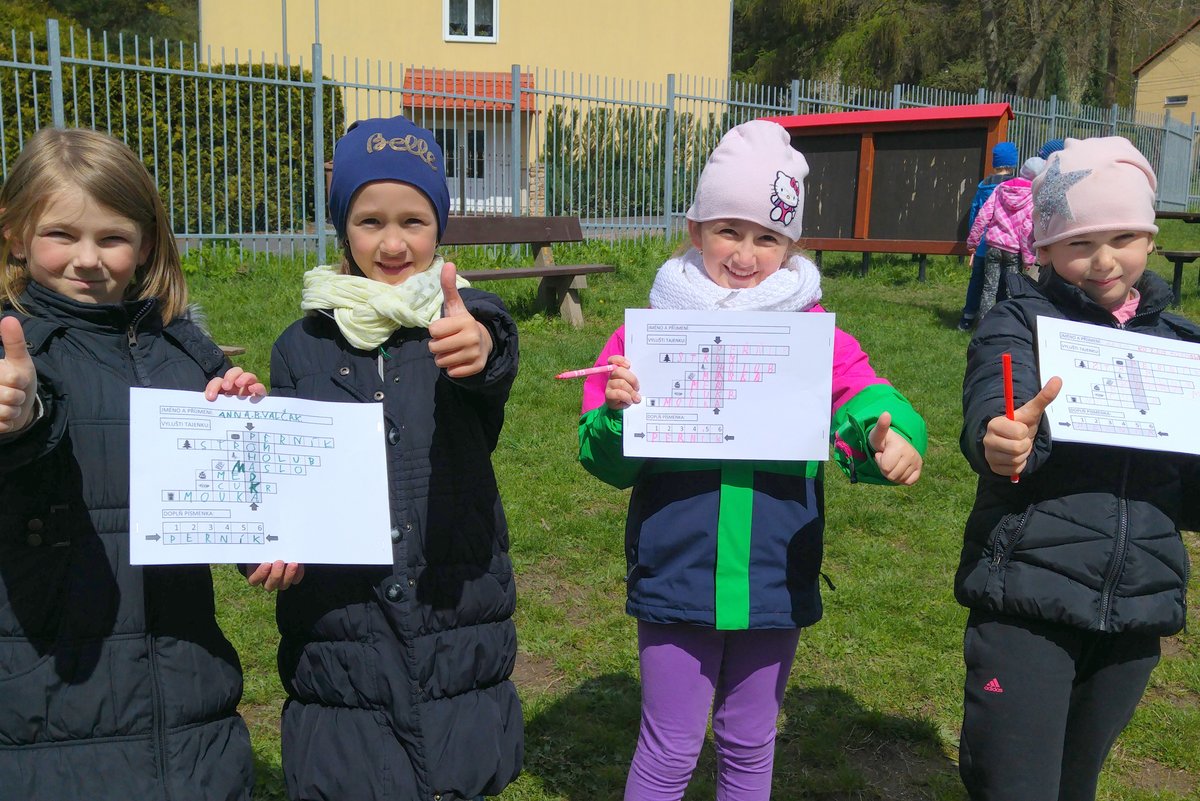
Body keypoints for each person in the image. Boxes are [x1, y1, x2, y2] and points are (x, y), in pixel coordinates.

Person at [577, 119, 927, 801]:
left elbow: (863, 393)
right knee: (670, 744)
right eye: (728, 230)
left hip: (774, 574)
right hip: (677, 571)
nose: (745, 254)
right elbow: (604, 458)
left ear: (791, 245)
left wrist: (886, 435)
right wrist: (618, 416)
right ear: (695, 229)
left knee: (748, 740)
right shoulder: (645, 333)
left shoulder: (812, 332)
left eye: (767, 237)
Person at [0, 127, 292, 800]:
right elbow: (32, 429)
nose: (88, 259)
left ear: (148, 241)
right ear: (15, 234)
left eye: (112, 237)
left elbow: (222, 499)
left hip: (191, 710)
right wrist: (19, 417)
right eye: (61, 234)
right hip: (52, 712)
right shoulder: (13, 352)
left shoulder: (185, 349)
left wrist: (246, 438)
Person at [268, 115, 522, 801]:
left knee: (458, 775)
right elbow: (283, 481)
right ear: (341, 229)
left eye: (413, 220)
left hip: (455, 623)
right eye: (369, 221)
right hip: (343, 638)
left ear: (439, 226)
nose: (391, 243)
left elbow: (492, 349)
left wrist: (481, 348)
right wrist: (268, 543)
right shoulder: (300, 345)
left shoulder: (461, 322)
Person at [956, 136, 1200, 800]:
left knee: (1075, 784)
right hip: (1027, 601)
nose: (1103, 259)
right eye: (1079, 242)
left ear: (1151, 239)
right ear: (1043, 250)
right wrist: (1003, 439)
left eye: (1123, 237)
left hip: (1137, 610)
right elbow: (995, 403)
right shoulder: (1017, 323)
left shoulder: (1183, 348)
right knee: (1013, 783)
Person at [965, 156, 1045, 320]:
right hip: (1013, 251)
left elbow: (983, 216)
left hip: (993, 246)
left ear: (1022, 170)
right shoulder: (1032, 197)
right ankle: (1007, 323)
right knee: (1011, 289)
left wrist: (973, 242)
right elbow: (1027, 229)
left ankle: (985, 324)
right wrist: (1028, 258)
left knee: (989, 288)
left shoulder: (1001, 188)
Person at [957, 142, 1019, 331]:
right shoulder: (1015, 187)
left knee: (978, 281)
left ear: (995, 163)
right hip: (1007, 244)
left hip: (984, 244)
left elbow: (976, 214)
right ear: (1013, 163)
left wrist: (974, 240)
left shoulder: (984, 186)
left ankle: (968, 317)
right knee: (1004, 284)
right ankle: (1001, 319)